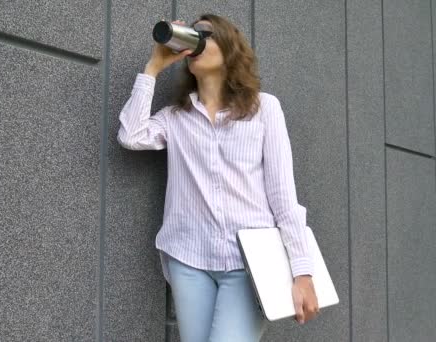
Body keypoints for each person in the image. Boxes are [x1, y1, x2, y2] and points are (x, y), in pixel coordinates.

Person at [116, 13, 319, 342]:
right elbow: (131, 134)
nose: (195, 39)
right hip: (189, 260)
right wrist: (153, 69)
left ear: (230, 49)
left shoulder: (264, 109)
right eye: (192, 34)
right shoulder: (176, 117)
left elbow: (284, 198)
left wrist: (303, 271)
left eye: (204, 35)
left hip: (248, 266)